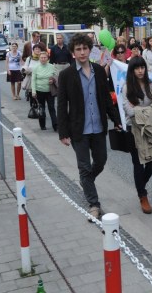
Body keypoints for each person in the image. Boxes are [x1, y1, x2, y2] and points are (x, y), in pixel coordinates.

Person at [57, 33, 122, 221]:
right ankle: (94, 204)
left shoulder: (99, 71)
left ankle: (86, 182)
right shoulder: (66, 75)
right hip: (79, 130)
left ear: (89, 49)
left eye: (85, 48)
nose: (82, 52)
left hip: (98, 127)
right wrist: (63, 132)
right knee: (84, 167)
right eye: (78, 49)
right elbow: (62, 105)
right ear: (73, 53)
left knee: (101, 161)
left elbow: (106, 99)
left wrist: (116, 119)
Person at [121, 57, 152, 214]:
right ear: (132, 70)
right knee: (138, 163)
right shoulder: (127, 88)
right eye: (136, 68)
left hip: (150, 129)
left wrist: (140, 110)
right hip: (134, 129)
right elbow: (129, 112)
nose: (140, 70)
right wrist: (147, 110)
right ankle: (142, 195)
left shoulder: (151, 86)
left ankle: (140, 186)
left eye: (142, 67)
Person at [31, 51, 58, 131]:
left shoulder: (52, 66)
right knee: (41, 108)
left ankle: (55, 125)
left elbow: (56, 76)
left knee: (51, 107)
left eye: (44, 57)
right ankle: (42, 125)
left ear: (48, 58)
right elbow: (33, 80)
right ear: (39, 58)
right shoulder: (36, 67)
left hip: (50, 91)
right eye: (41, 58)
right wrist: (33, 91)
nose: (43, 59)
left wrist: (53, 80)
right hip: (39, 91)